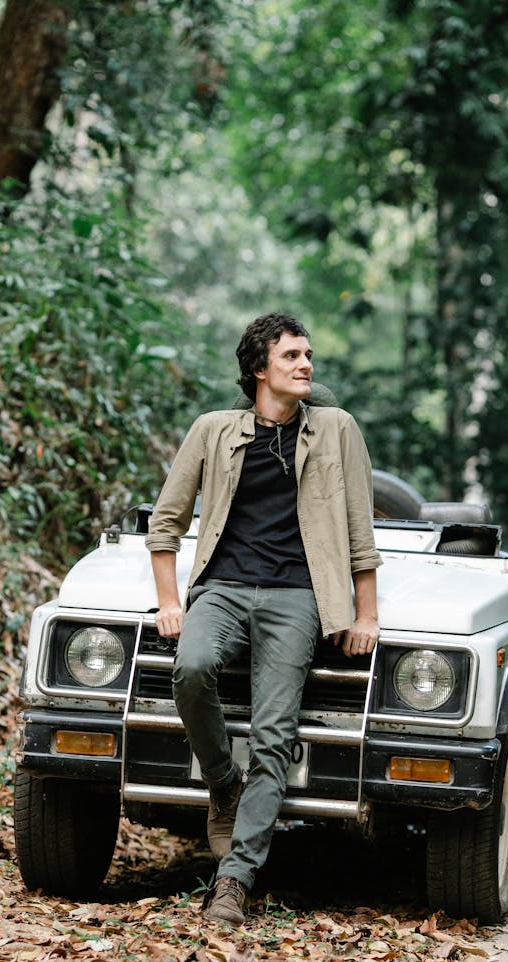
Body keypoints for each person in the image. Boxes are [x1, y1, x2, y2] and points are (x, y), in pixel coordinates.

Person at [145, 312, 381, 926]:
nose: (306, 365)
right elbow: (165, 524)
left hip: (297, 596)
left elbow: (360, 528)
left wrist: (366, 614)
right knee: (191, 669)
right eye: (291, 356)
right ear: (258, 369)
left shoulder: (336, 430)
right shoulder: (212, 431)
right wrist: (172, 602)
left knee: (276, 733)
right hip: (221, 588)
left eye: (308, 356)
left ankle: (234, 880)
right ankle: (224, 782)